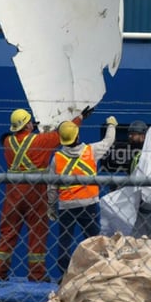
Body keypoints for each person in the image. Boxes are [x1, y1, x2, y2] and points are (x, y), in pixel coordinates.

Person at [0, 105, 92, 281]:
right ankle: (36, 275)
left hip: (13, 192)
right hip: (35, 191)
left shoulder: (8, 142)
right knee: (37, 232)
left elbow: (25, 143)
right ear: (28, 125)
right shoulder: (40, 141)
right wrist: (80, 118)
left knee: (8, 231)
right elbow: (62, 133)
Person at [50, 116, 117, 278]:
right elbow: (108, 141)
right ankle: (98, 271)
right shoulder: (90, 151)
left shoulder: (57, 158)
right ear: (77, 135)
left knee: (65, 241)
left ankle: (65, 275)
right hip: (89, 205)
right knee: (94, 240)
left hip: (66, 206)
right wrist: (111, 125)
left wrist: (51, 207)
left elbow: (51, 187)